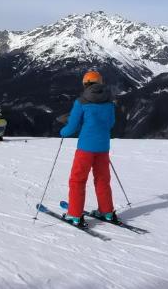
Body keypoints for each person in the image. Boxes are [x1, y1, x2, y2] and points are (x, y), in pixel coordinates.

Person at [58, 70, 116, 227]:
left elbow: (72, 126)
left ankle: (74, 214)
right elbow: (111, 124)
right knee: (103, 180)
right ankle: (107, 211)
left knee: (78, 180)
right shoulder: (109, 102)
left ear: (85, 84)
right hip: (103, 147)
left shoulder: (81, 102)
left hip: (85, 148)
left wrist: (63, 132)